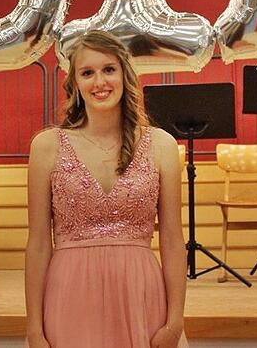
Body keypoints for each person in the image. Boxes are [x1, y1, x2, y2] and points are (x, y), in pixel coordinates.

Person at [25, 31, 187, 348]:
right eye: (88, 72)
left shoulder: (161, 144)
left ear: (124, 76)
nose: (100, 82)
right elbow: (39, 244)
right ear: (75, 84)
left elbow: (172, 240)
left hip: (141, 295)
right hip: (69, 297)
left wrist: (175, 321)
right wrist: (33, 328)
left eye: (108, 69)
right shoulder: (46, 147)